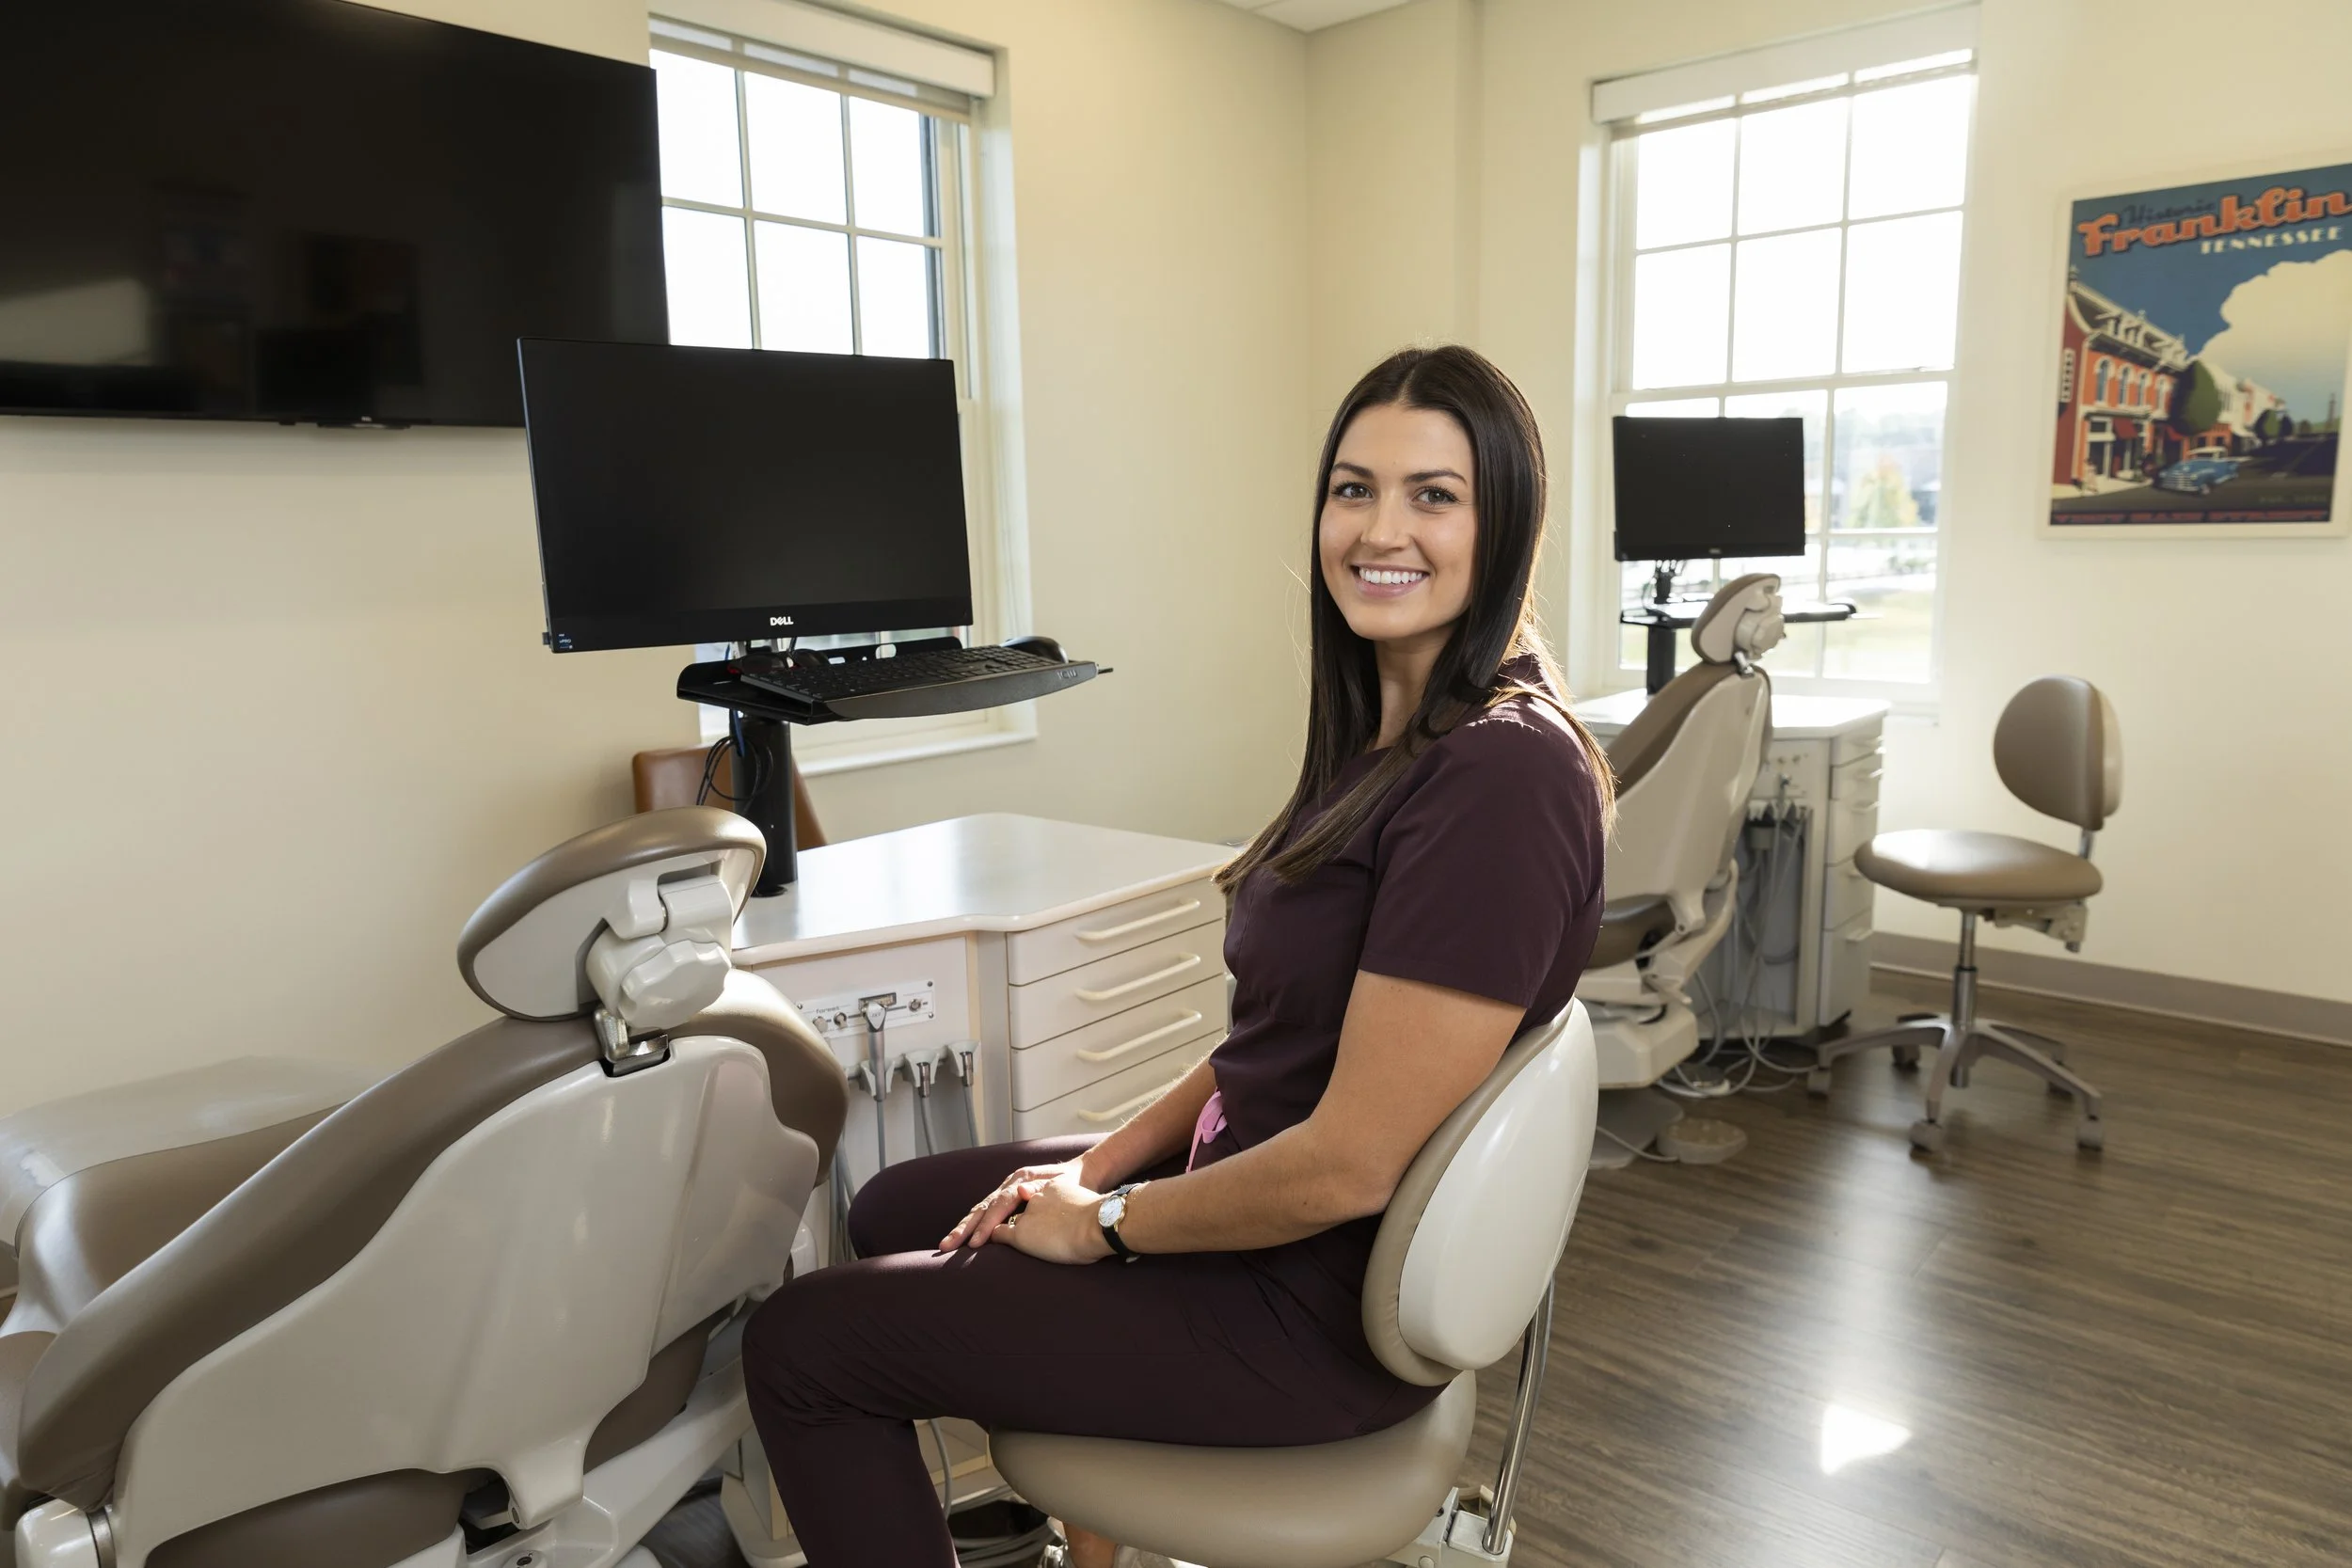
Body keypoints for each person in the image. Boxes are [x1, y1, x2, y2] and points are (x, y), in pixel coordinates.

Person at [740, 344, 1614, 1568]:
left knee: (802, 1345)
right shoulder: (1396, 737)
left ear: (1506, 520)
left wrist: (1105, 1223)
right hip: (1266, 1221)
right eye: (1353, 487)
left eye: (1435, 494)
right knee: (899, 1202)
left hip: (1305, 1311)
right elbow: (1272, 1044)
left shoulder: (1499, 779)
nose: (1379, 528)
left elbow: (1350, 1164)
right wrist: (1095, 1165)